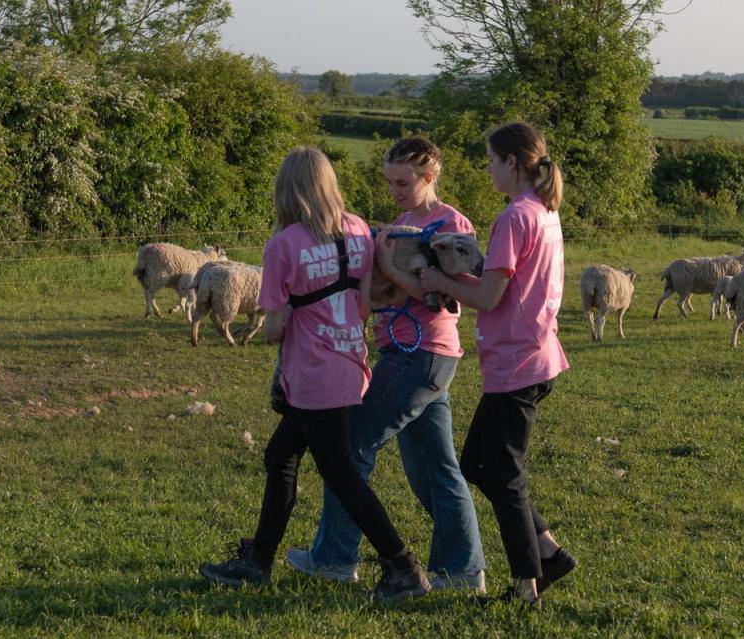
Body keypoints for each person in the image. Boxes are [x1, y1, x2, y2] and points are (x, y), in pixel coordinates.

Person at [198, 146, 430, 604]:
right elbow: (364, 305)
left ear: (286, 190)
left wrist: (294, 310)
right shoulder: (358, 230)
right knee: (280, 456)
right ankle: (258, 559)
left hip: (311, 375)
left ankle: (402, 565)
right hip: (348, 364)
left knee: (340, 474)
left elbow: (276, 329)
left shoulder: (284, 244)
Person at [286, 137, 487, 592]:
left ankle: (335, 558)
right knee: (435, 467)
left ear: (429, 177)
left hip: (420, 354)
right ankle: (462, 569)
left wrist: (387, 268)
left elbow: (444, 299)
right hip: (415, 355)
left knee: (353, 446)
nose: (394, 190)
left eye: (403, 182)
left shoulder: (449, 223)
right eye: (390, 182)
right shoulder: (401, 224)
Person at [419, 122, 576, 606]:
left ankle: (527, 587)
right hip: (534, 355)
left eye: (490, 160)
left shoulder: (514, 217)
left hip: (517, 363)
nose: (487, 168)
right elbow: (503, 281)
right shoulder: (543, 212)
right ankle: (548, 552)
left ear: (512, 162)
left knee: (504, 477)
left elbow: (489, 295)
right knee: (477, 465)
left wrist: (438, 281)